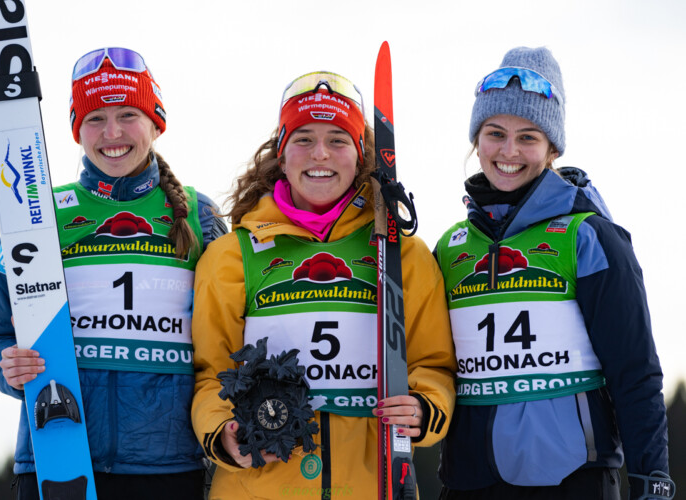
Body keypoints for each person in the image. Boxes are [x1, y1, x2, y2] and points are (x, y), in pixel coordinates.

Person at [190, 71, 456, 498]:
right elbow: (210, 375)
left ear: (359, 153)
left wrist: (424, 408)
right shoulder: (231, 255)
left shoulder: (402, 252)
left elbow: (433, 365)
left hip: (375, 483)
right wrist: (222, 432)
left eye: (337, 139)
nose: (320, 155)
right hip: (258, 486)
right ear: (281, 152)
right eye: (303, 138)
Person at [0, 47, 227, 500]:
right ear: (77, 131)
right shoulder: (39, 214)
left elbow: (230, 333)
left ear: (156, 122)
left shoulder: (199, 215)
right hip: (58, 453)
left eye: (127, 114)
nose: (111, 133)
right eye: (95, 119)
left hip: (165, 464)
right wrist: (6, 365)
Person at [435, 47, 674, 499]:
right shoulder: (450, 247)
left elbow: (635, 371)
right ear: (476, 140)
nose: (509, 151)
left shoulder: (589, 237)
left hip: (571, 480)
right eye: (495, 133)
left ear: (552, 148)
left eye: (528, 137)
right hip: (470, 482)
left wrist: (652, 479)